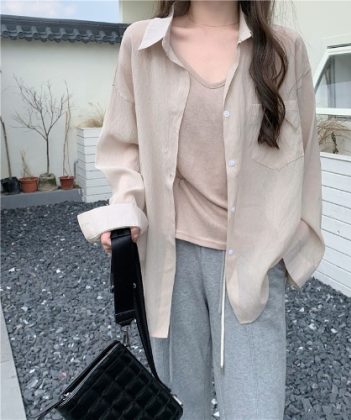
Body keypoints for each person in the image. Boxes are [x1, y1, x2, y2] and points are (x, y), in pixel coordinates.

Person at [77, 0, 326, 418]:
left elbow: (304, 155)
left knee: (257, 409)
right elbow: (123, 145)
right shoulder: (142, 44)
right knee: (178, 406)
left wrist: (290, 247)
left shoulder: (284, 49)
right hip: (170, 260)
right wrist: (125, 212)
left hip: (254, 260)